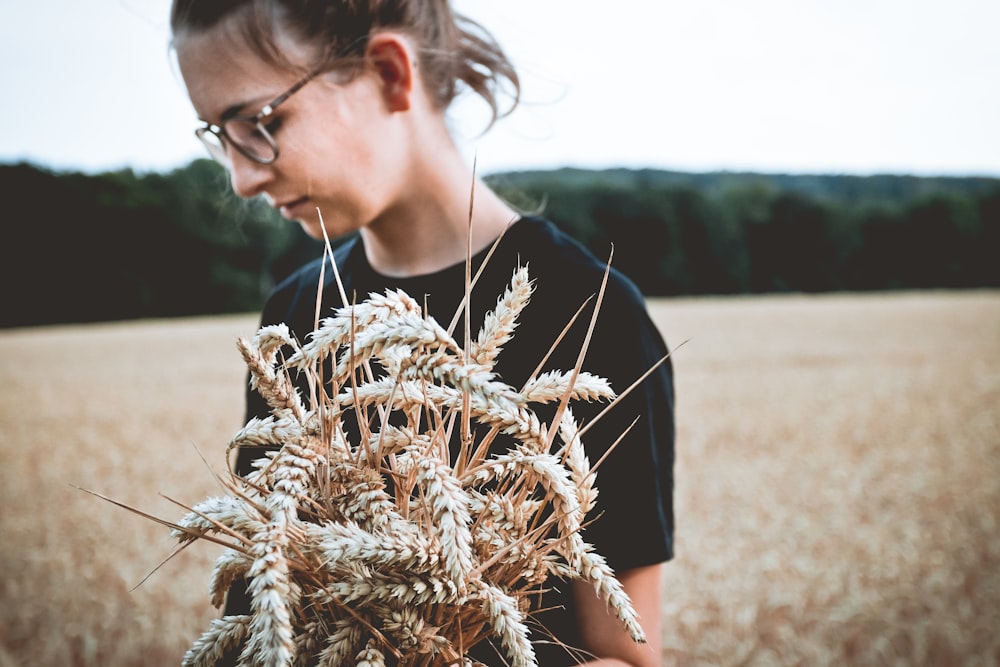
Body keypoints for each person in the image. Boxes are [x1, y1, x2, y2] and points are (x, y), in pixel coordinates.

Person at [170, 1, 675, 665]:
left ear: (388, 72)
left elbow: (628, 654)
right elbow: (261, 615)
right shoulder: (292, 320)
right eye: (218, 134)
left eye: (261, 123)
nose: (241, 177)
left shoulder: (591, 314)